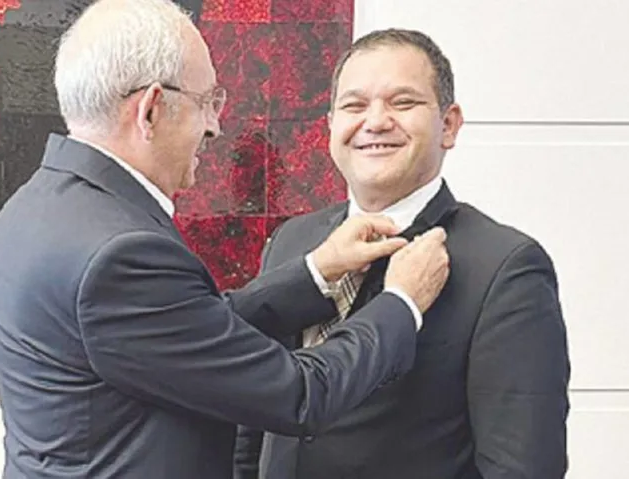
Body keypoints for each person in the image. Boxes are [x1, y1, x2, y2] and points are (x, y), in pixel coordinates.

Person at [0, 1, 452, 478]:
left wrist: (318, 272)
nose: (215, 125)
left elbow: (186, 332)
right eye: (207, 102)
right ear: (151, 110)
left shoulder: (34, 207)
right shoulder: (121, 254)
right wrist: (401, 302)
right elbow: (299, 395)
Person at [233, 28, 571, 479]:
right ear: (330, 125)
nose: (375, 122)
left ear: (448, 125)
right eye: (354, 106)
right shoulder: (293, 242)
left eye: (403, 102)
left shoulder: (505, 267)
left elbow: (523, 467)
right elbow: (251, 425)